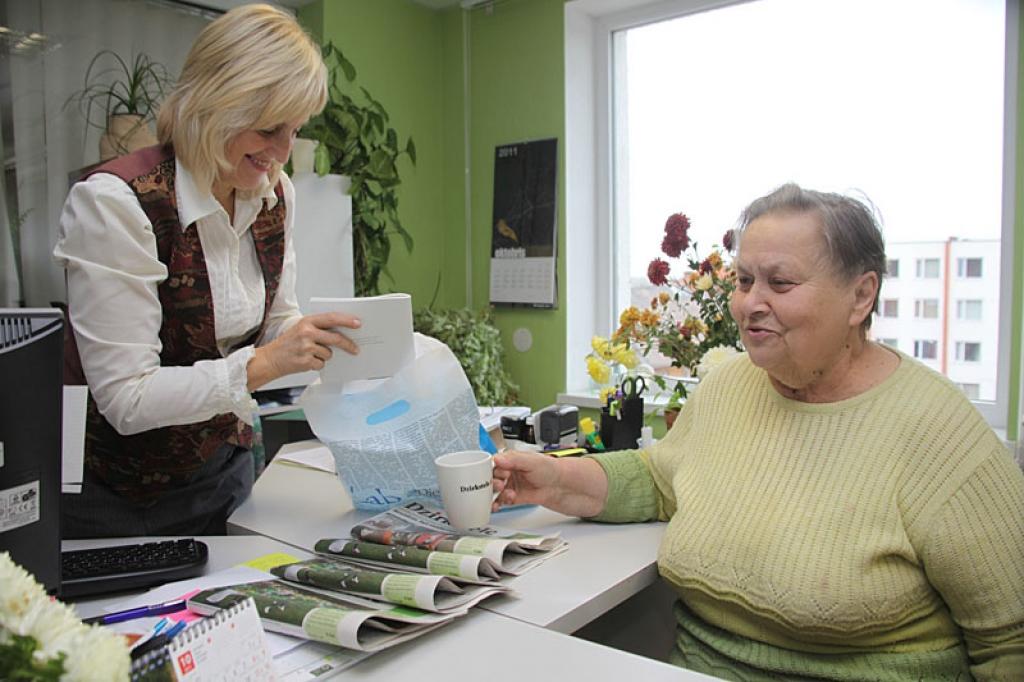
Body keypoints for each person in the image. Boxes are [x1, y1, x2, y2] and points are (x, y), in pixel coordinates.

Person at [493, 184, 1024, 681]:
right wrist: (555, 481)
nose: (750, 304)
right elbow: (660, 478)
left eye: (781, 282)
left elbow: (1011, 642)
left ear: (861, 297)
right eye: (744, 281)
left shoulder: (939, 432)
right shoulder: (728, 386)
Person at [54, 4, 360, 538]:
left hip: (224, 476)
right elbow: (128, 397)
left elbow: (275, 318)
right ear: (212, 108)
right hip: (115, 492)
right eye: (269, 129)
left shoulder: (273, 194)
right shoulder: (117, 203)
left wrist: (317, 342)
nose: (283, 152)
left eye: (294, 129)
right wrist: (263, 366)